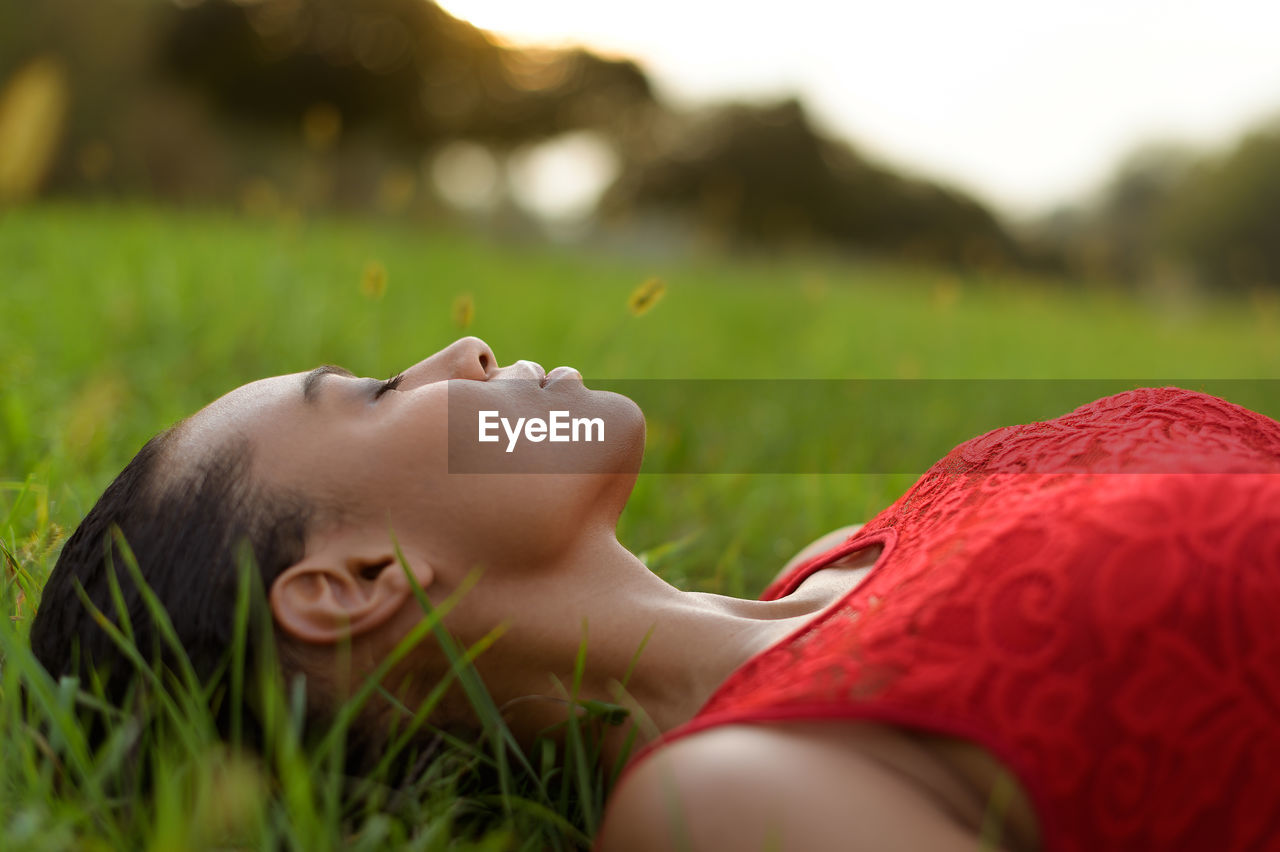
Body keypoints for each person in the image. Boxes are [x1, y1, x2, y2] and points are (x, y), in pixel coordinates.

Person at [30, 336, 1280, 852]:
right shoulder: (724, 799)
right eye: (368, 396)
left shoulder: (849, 553)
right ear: (356, 584)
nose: (455, 354)